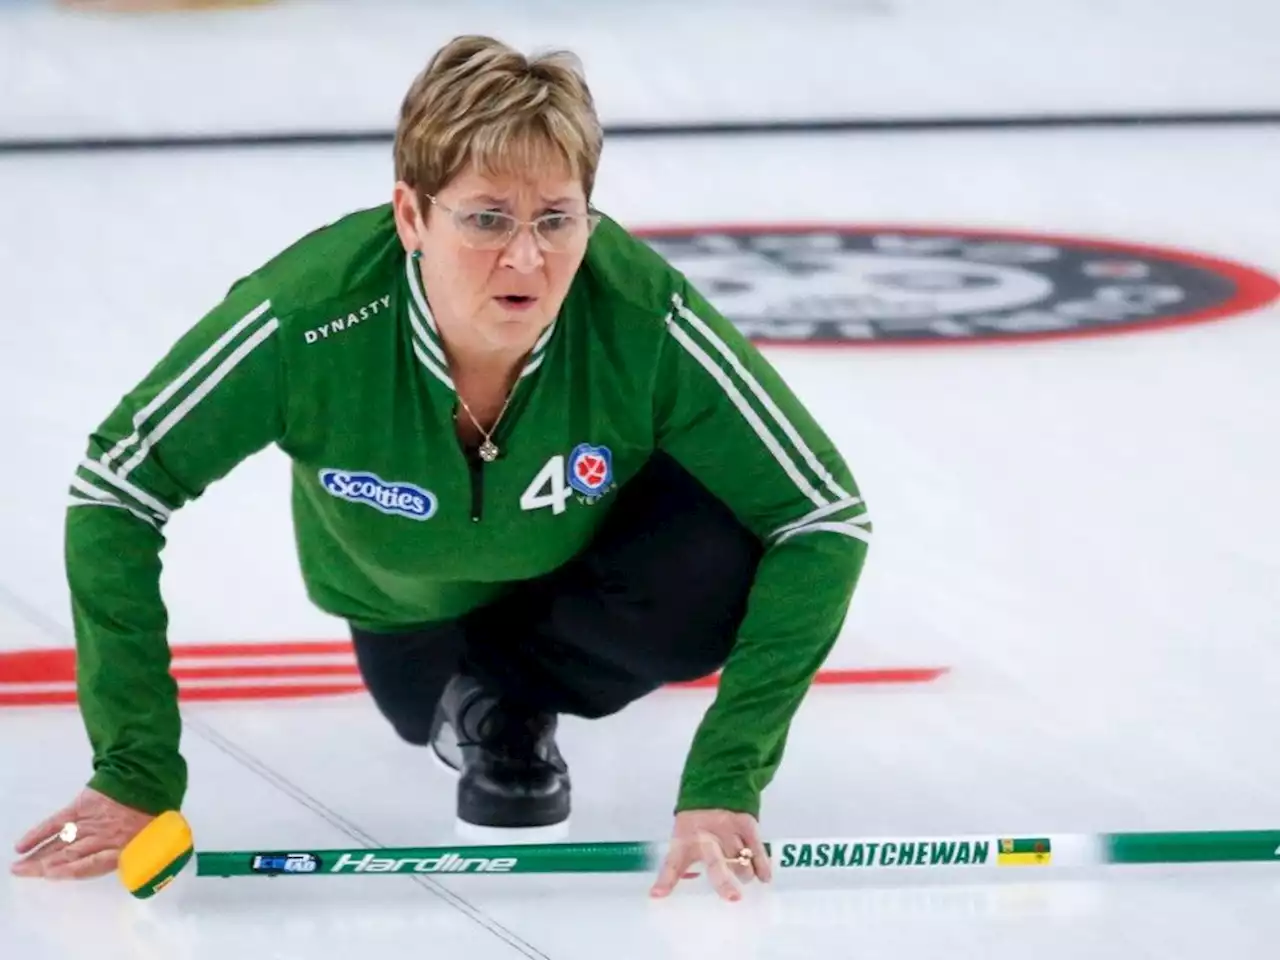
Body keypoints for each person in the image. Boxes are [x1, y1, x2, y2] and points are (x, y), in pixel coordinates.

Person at [9, 34, 871, 901]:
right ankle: (483, 705)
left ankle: (515, 697)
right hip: (410, 622)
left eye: (556, 219)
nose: (527, 258)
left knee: (717, 556)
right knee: (425, 698)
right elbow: (117, 491)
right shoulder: (309, 316)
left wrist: (726, 779)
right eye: (487, 218)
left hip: (590, 575)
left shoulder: (638, 313)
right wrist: (134, 769)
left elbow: (823, 517)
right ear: (412, 217)